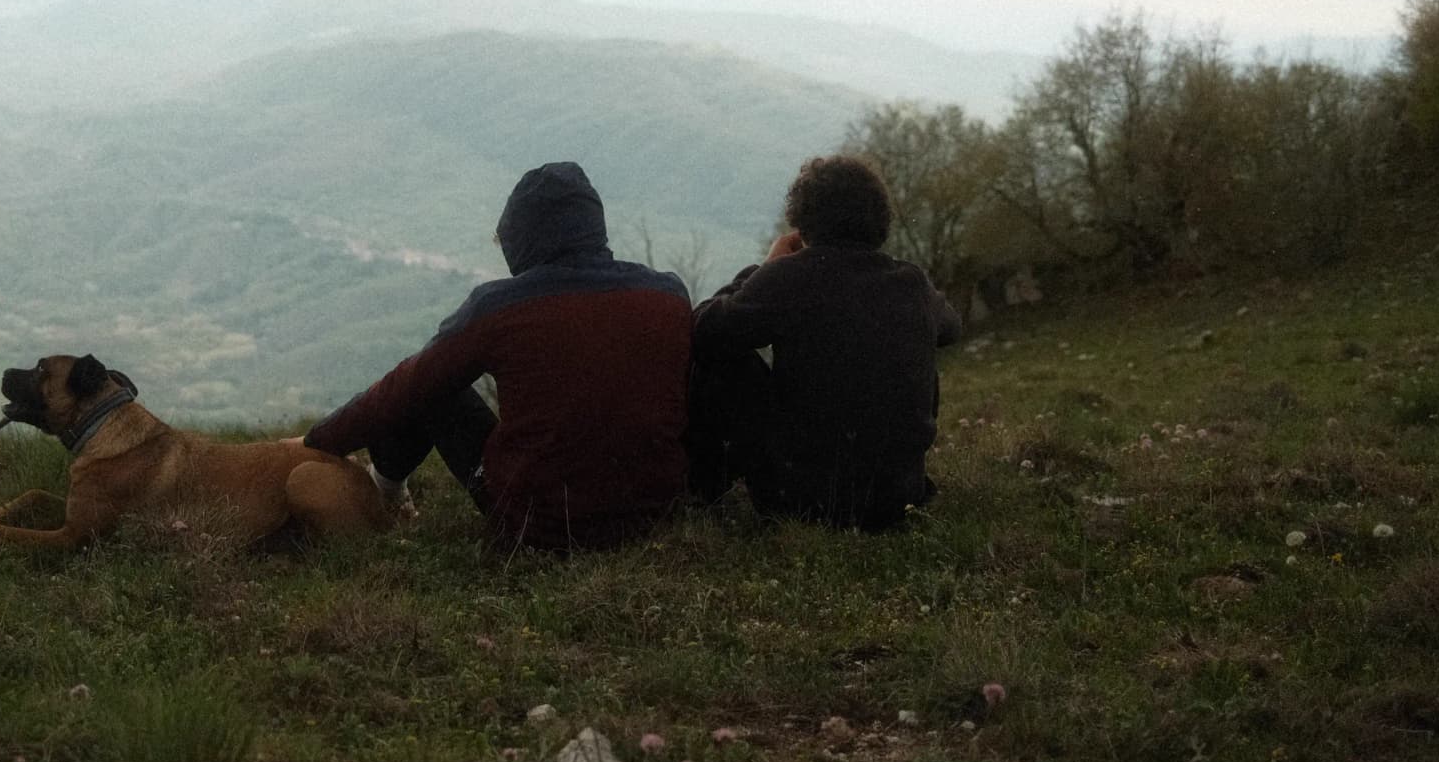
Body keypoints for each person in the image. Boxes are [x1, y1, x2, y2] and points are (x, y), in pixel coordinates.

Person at [300, 161, 691, 551]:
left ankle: (383, 491)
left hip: (539, 525)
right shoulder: (668, 296)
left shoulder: (502, 307)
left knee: (435, 387)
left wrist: (319, 440)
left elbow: (405, 387)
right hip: (655, 515)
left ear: (522, 239)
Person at [687, 154, 959, 530]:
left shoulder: (788, 278)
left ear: (802, 223)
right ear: (880, 220)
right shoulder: (912, 284)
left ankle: (705, 492)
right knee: (915, 345)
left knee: (722, 360)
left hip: (801, 502)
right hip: (900, 497)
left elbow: (704, 331)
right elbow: (951, 328)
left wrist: (762, 270)